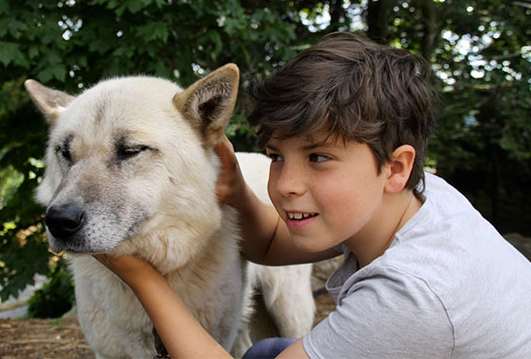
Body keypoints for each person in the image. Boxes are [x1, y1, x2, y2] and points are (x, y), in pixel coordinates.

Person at [94, 32, 531, 358]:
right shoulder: (416, 199)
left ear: (394, 167)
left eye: (319, 157)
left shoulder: (411, 298)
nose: (286, 184)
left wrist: (141, 277)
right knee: (266, 353)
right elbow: (268, 245)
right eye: (276, 156)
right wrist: (236, 193)